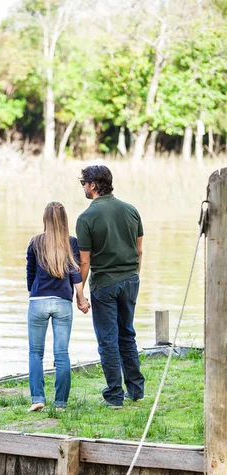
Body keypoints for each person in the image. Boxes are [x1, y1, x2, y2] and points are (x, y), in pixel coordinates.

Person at [76, 165, 145, 409]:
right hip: (130, 280)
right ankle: (136, 390)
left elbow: (84, 261)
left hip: (104, 284)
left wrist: (80, 292)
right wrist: (133, 276)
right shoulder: (131, 210)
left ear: (93, 185)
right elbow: (139, 251)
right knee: (127, 334)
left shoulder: (86, 218)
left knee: (108, 340)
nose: (82, 186)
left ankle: (115, 395)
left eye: (83, 182)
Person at [26, 201, 90, 412]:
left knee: (36, 353)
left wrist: (34, 292)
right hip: (63, 302)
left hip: (38, 302)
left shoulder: (35, 243)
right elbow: (75, 275)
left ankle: (37, 398)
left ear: (45, 219)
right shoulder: (71, 243)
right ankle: (61, 402)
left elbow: (30, 274)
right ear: (64, 220)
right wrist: (81, 299)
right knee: (61, 353)